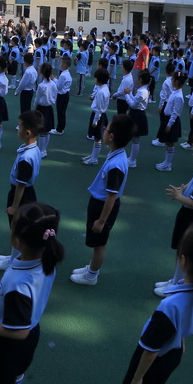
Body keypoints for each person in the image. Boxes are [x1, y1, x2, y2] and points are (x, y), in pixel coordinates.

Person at [122, 221, 193, 384]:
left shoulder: (169, 306)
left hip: (153, 363)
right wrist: (181, 340)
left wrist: (137, 379)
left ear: (183, 260)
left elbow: (150, 351)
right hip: (173, 354)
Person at [0, 202, 63, 384]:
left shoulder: (19, 284)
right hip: (31, 331)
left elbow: (20, 331)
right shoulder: (45, 260)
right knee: (16, 372)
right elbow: (31, 292)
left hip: (8, 342)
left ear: (17, 240)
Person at [154, 125, 193, 297]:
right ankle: (175, 280)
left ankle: (177, 284)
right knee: (181, 248)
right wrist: (184, 188)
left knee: (185, 250)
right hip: (188, 214)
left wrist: (178, 196)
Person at [70, 113, 133, 287]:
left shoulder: (116, 165)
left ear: (111, 136)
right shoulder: (116, 155)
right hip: (100, 204)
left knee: (99, 244)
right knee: (96, 242)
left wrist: (102, 221)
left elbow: (112, 195)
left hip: (103, 207)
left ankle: (92, 276)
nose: (104, 129)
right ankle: (92, 267)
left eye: (106, 129)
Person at [0, 110, 42, 271]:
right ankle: (13, 257)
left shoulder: (27, 157)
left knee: (17, 229)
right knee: (18, 228)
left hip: (21, 196)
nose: (17, 129)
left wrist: (14, 206)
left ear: (27, 133)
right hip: (26, 193)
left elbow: (21, 185)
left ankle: (14, 261)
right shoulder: (33, 148)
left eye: (19, 126)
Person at [82, 68, 111, 166]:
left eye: (95, 78)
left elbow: (99, 109)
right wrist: (92, 96)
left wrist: (95, 121)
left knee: (98, 138)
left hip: (98, 116)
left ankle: (94, 159)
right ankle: (93, 155)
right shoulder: (103, 88)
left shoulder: (102, 92)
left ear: (99, 79)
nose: (94, 80)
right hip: (99, 115)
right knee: (96, 137)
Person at [51, 54, 72, 136]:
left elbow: (58, 87)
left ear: (64, 65)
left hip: (61, 95)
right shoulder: (67, 73)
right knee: (62, 112)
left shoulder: (63, 75)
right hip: (65, 94)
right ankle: (61, 127)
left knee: (60, 112)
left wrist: (54, 79)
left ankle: (59, 129)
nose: (60, 64)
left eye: (61, 63)